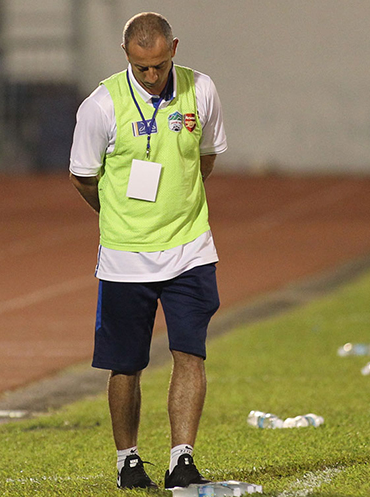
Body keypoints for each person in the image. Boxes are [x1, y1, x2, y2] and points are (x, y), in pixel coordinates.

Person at [68, 12, 227, 490]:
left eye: (159, 65)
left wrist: (176, 206)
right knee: (126, 363)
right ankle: (128, 460)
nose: (152, 77)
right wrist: (118, 215)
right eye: (142, 69)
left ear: (173, 48)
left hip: (190, 249)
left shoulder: (201, 91)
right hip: (124, 256)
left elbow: (207, 156)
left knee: (190, 354)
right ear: (126, 58)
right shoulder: (100, 105)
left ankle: (182, 457)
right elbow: (83, 175)